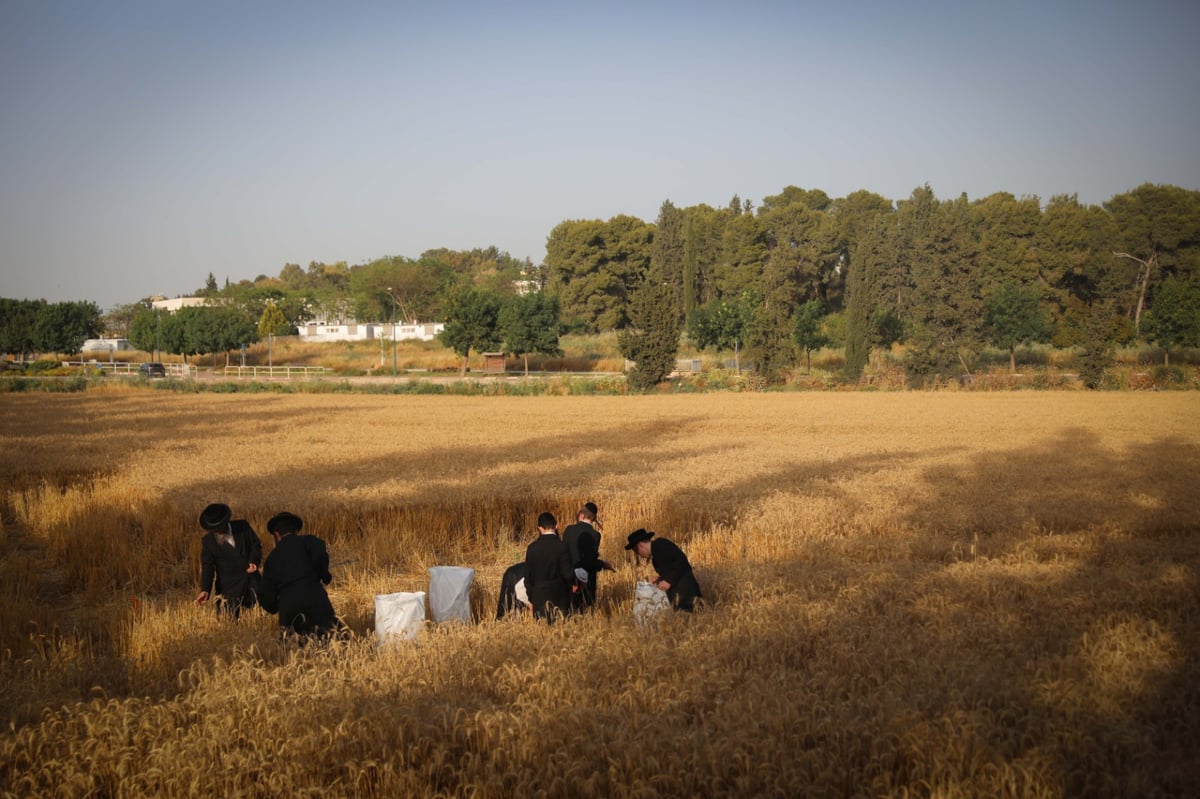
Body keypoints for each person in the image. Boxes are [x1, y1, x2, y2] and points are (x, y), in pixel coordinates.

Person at [257, 511, 342, 639]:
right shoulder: (310, 541)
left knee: (295, 650)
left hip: (289, 610)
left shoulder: (271, 559)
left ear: (277, 535)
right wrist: (325, 576)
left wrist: (275, 606)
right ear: (296, 531)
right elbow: (320, 556)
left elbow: (267, 597)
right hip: (316, 600)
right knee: (333, 641)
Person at [194, 502, 262, 620]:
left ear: (226, 522)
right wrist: (205, 590)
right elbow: (208, 567)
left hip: (253, 584)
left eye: (218, 528)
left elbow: (256, 546)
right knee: (229, 625)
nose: (217, 532)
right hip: (229, 590)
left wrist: (254, 561)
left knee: (259, 621)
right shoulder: (208, 541)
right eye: (213, 530)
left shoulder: (243, 526)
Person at [624, 528, 703, 612]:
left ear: (640, 545)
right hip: (678, 597)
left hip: (687, 594)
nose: (640, 555)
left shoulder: (660, 544)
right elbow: (671, 570)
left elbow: (681, 561)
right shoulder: (655, 556)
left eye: (637, 552)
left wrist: (668, 581)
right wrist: (659, 579)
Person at [561, 503, 613, 612]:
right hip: (587, 583)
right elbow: (590, 561)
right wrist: (602, 564)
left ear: (581, 515)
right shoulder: (595, 535)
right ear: (593, 518)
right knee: (586, 613)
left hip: (569, 580)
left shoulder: (569, 530)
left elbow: (563, 555)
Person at [523, 511, 573, 623]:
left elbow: (527, 577)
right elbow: (567, 574)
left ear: (539, 528)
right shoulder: (562, 546)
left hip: (538, 598)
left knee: (542, 636)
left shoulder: (532, 548)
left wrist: (532, 597)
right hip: (559, 598)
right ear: (556, 525)